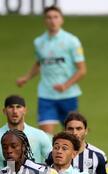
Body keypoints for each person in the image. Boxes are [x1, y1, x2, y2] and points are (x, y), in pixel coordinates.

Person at [16, 5, 86, 135]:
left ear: (61, 20)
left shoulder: (72, 41)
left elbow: (82, 70)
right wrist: (26, 77)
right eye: (49, 18)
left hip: (68, 96)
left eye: (55, 17)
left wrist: (66, 85)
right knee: (46, 137)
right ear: (45, 21)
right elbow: (39, 63)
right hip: (46, 95)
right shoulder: (39, 42)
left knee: (72, 137)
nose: (52, 21)